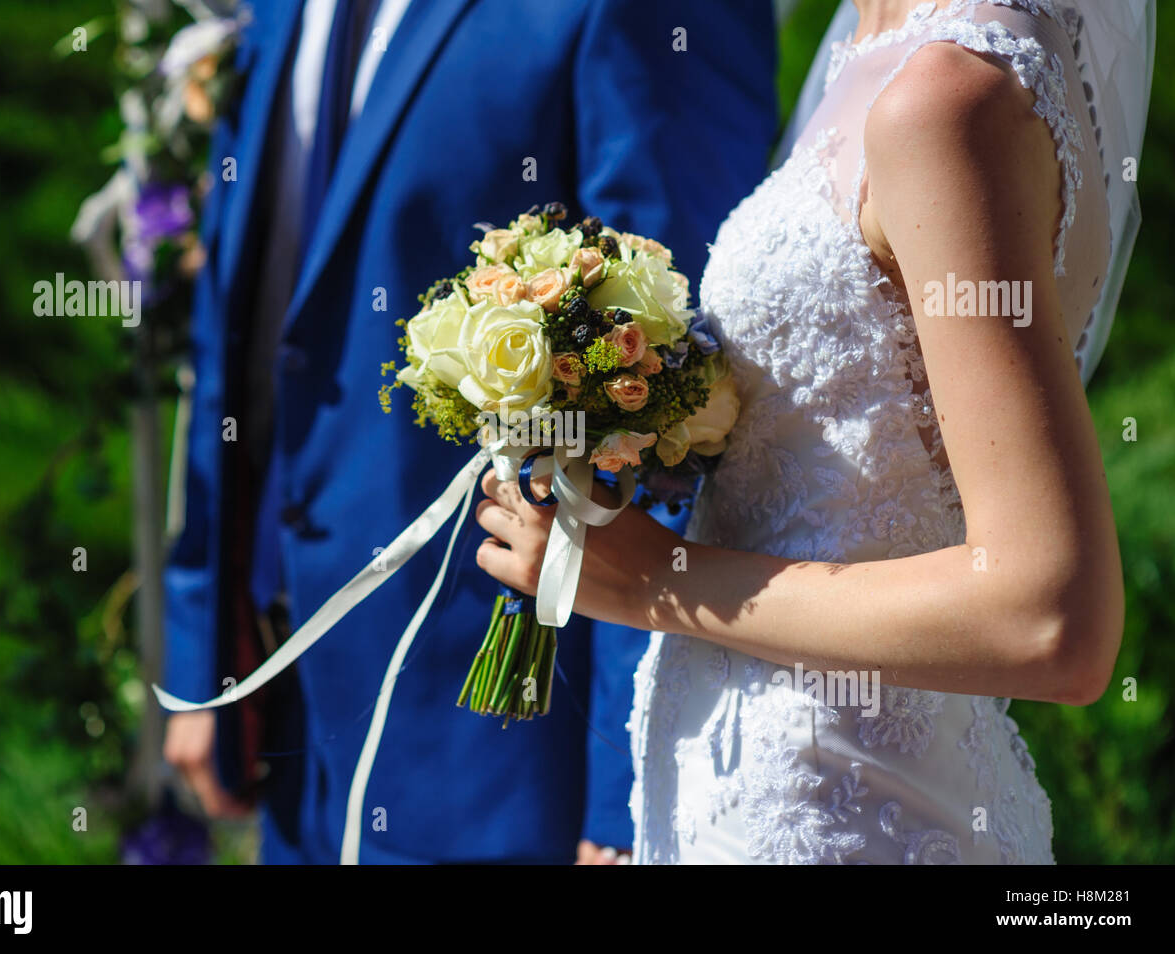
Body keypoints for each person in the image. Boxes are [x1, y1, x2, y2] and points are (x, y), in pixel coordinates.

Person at [475, 0, 1153, 863]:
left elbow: (1050, 618)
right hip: (743, 791)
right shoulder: (875, 50)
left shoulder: (945, 95)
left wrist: (654, 579)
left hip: (849, 816)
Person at [162, 0, 778, 863]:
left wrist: (628, 790)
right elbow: (242, 311)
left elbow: (683, 402)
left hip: (504, 745)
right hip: (288, 701)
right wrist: (200, 644)